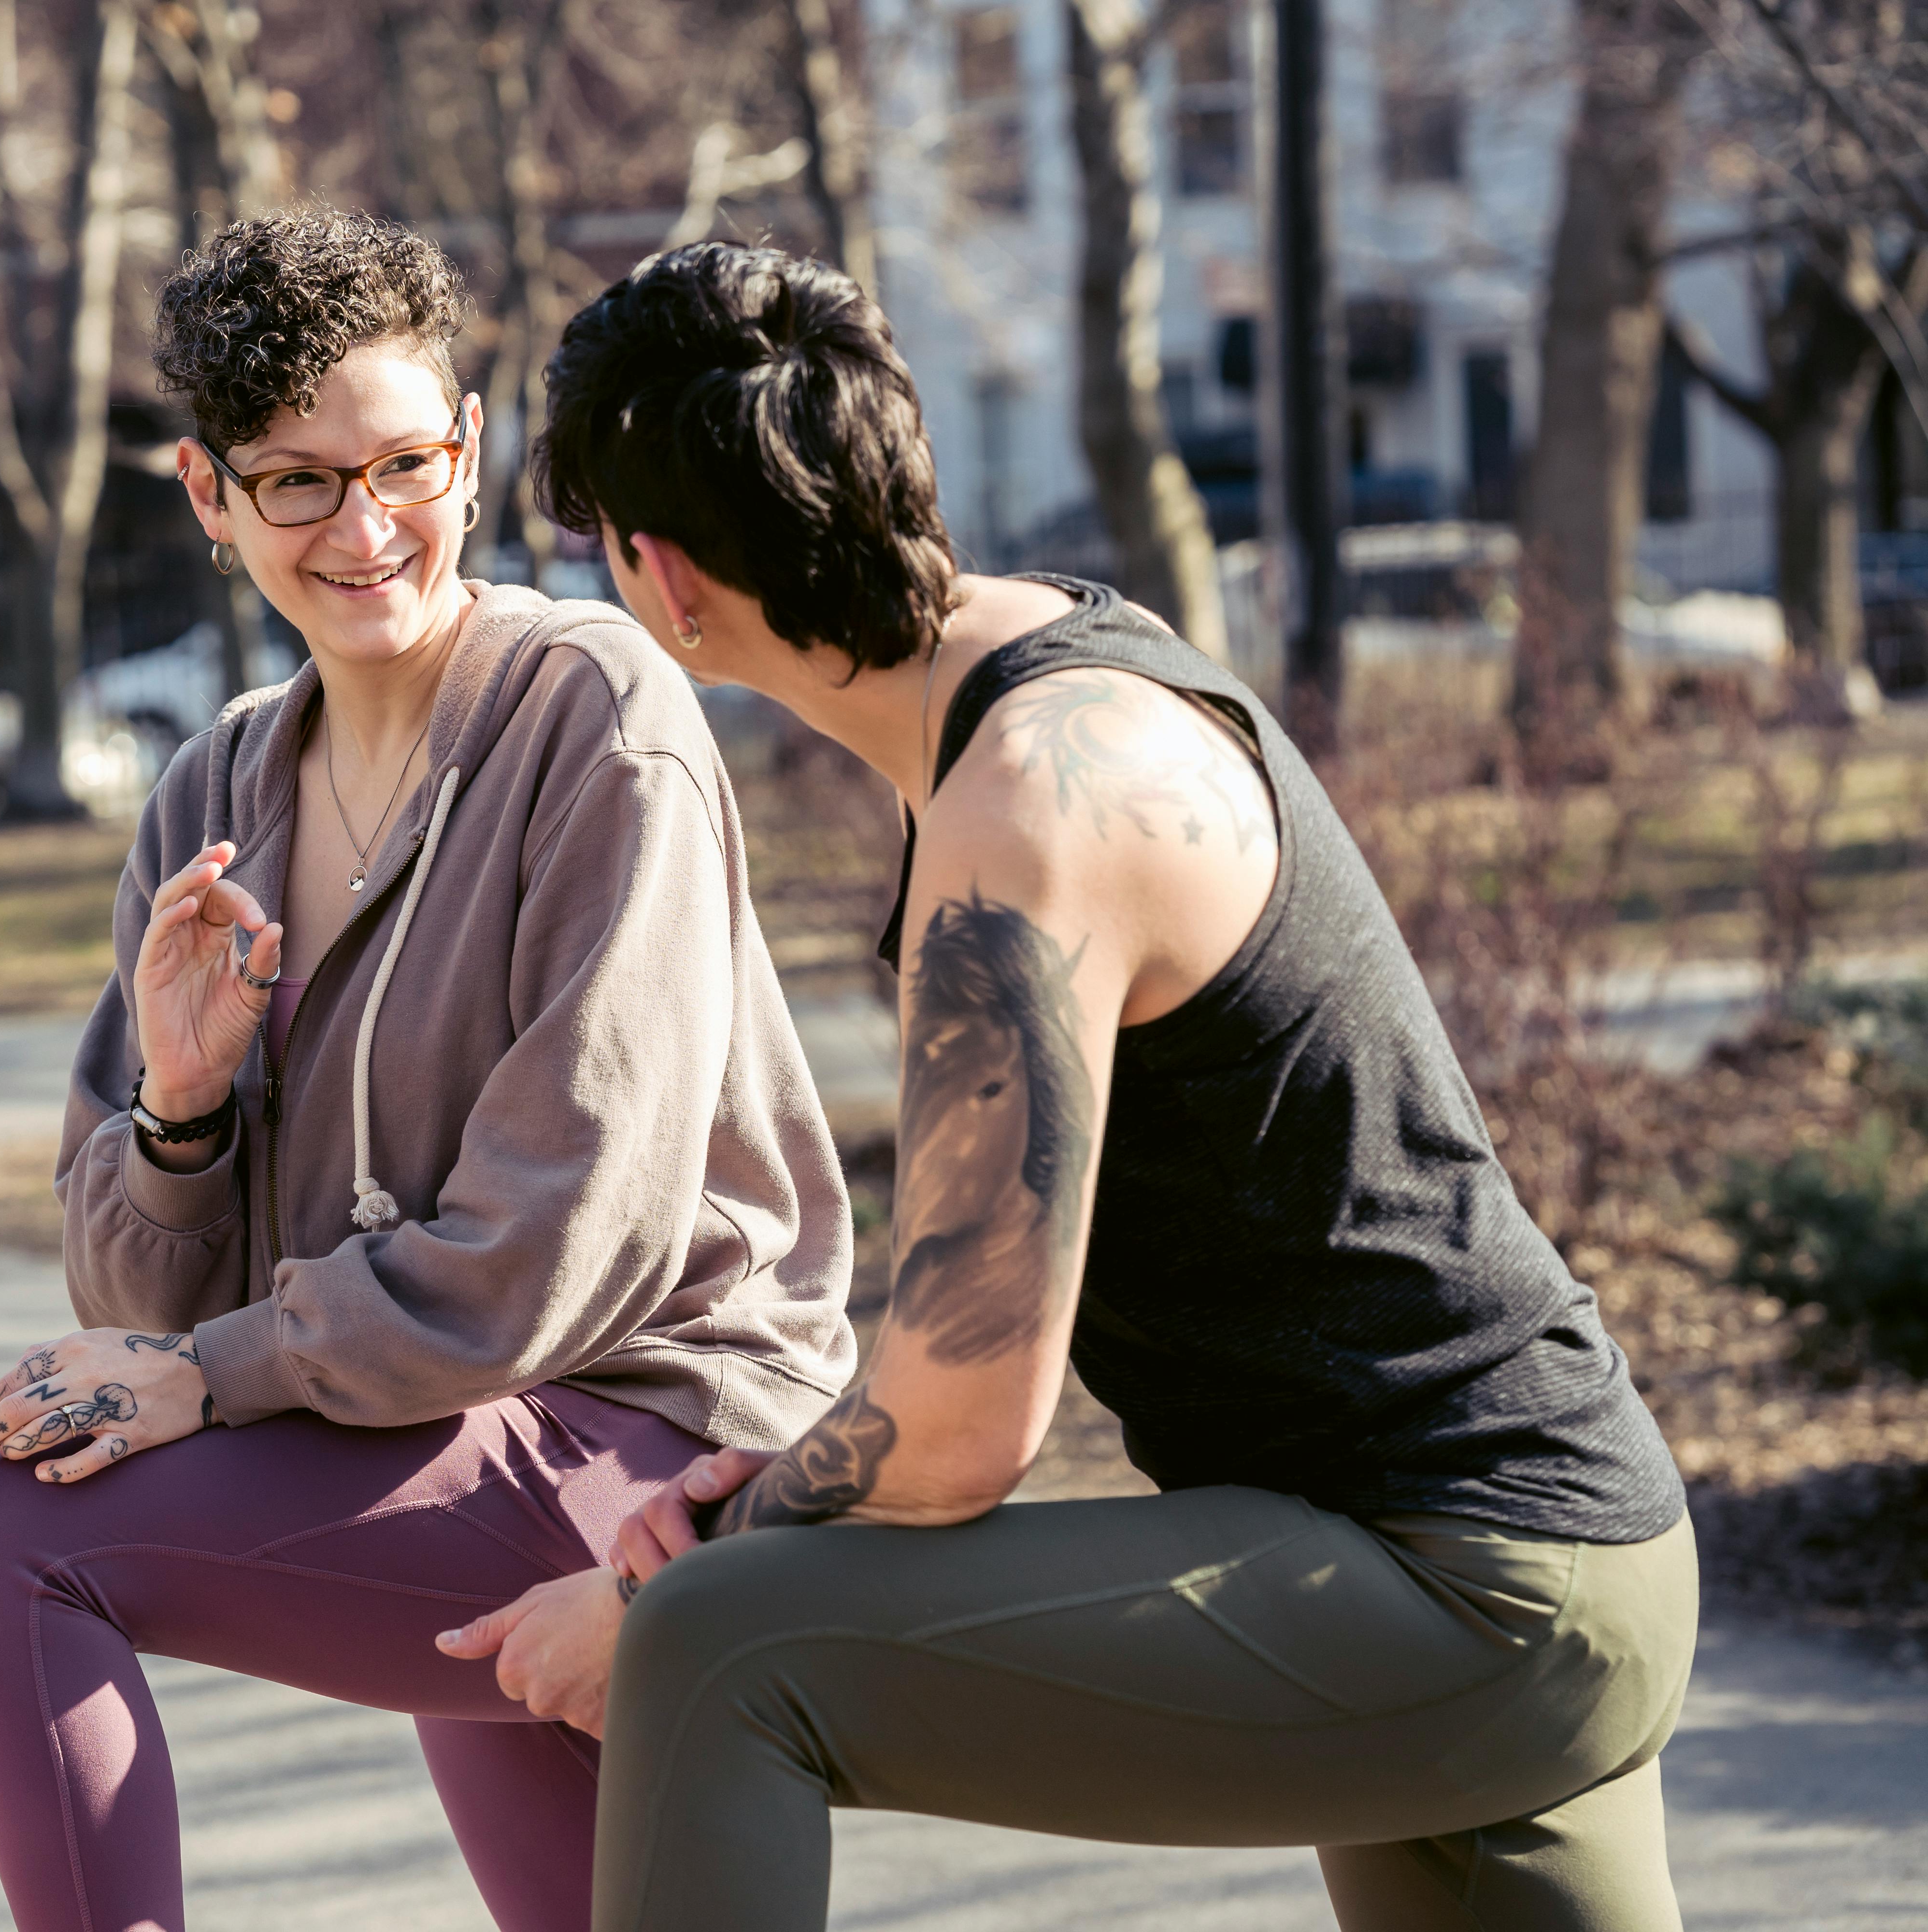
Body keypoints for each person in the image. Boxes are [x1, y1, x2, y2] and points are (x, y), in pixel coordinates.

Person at [444, 241, 1695, 1932]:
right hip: (1543, 1550)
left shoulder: (1028, 811)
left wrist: (695, 1553)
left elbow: (962, 1432)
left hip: (1464, 1584)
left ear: (660, 578)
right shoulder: (1054, 670)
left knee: (721, 1654)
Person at [0, 211, 855, 1932]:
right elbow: (127, 1299)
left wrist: (223, 1368)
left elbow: (560, 1239)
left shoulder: (595, 711)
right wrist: (181, 1112)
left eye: (405, 461)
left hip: (656, 1438)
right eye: (297, 484)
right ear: (205, 495)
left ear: (472, 443)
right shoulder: (213, 796)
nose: (367, 528)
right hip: (443, 1437)